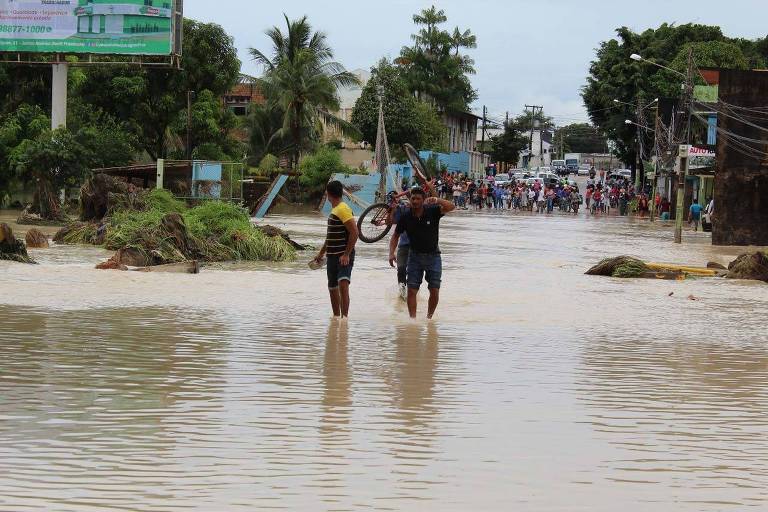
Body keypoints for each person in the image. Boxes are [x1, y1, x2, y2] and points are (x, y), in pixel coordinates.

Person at [388, 187, 456, 319]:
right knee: (412, 290)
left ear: (423, 200)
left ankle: (429, 319)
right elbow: (395, 235)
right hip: (414, 257)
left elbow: (451, 206)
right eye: (413, 198)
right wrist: (391, 253)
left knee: (434, 289)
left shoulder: (432, 211)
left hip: (434, 256)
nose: (415, 201)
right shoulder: (406, 216)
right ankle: (412, 320)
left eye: (418, 198)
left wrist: (437, 199)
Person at [313, 181, 358, 319]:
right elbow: (330, 236)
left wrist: (346, 254)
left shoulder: (343, 209)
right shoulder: (335, 210)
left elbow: (355, 232)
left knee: (343, 285)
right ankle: (336, 318)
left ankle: (344, 319)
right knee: (332, 288)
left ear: (328, 194)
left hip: (342, 256)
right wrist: (321, 253)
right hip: (332, 256)